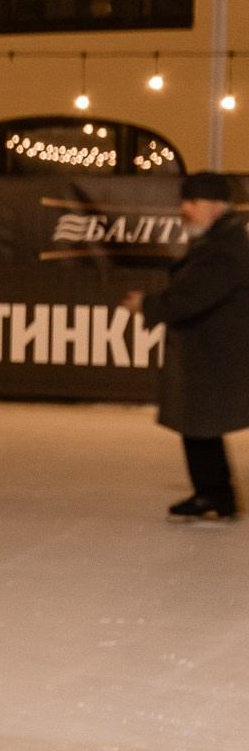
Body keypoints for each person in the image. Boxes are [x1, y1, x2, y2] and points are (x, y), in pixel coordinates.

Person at [124, 171, 249, 521]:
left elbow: (192, 295)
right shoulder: (216, 240)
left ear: (217, 206)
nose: (185, 209)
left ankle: (213, 494)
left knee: (200, 423)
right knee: (200, 425)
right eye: (184, 201)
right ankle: (214, 493)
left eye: (193, 203)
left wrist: (148, 305)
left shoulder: (224, 248)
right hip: (206, 349)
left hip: (213, 353)